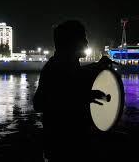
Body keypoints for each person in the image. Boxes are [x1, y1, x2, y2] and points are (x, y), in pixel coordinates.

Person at [33, 20, 111, 161]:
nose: (87, 43)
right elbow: (38, 103)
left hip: (69, 145)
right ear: (71, 42)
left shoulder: (64, 64)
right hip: (64, 149)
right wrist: (82, 96)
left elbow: (76, 75)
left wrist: (97, 65)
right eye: (83, 38)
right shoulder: (56, 67)